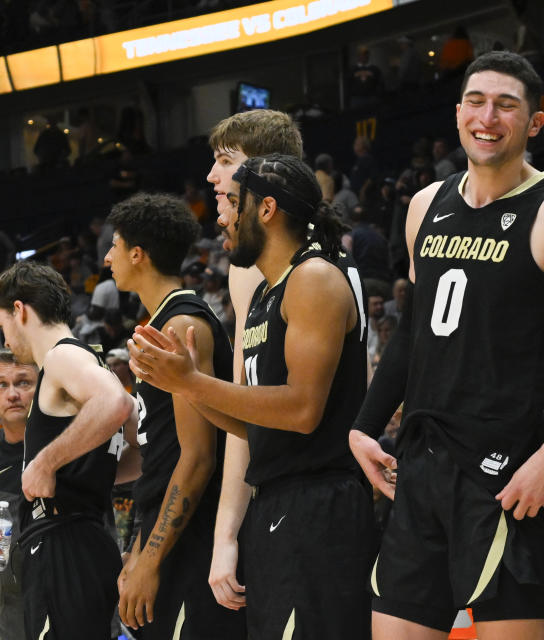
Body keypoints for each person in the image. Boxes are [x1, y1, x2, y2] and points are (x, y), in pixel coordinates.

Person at [348, 50, 544, 639]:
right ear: (458, 111)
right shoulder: (423, 207)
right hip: (420, 470)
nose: (488, 117)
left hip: (505, 476)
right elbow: (414, 331)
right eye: (477, 102)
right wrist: (364, 425)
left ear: (535, 123)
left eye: (506, 106)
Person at [129, 153, 374, 639]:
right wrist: (183, 385)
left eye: (231, 204)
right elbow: (256, 422)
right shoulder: (266, 293)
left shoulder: (314, 279)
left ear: (266, 209)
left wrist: (193, 383)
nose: (220, 216)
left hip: (319, 505)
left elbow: (303, 411)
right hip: (278, 505)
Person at [104, 193, 245, 638]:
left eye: (114, 245)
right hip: (166, 533)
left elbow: (198, 457)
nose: (107, 257)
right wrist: (139, 545)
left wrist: (151, 559)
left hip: (194, 543)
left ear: (137, 255)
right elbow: (161, 451)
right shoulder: (160, 322)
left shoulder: (182, 327)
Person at [202, 108, 303, 619]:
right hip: (302, 496)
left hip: (303, 500)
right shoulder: (309, 256)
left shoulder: (281, 270)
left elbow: (250, 412)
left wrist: (224, 537)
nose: (211, 176)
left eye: (225, 161)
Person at [0, 260, 133, 640]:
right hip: (83, 539)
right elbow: (133, 445)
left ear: (20, 310)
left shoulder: (61, 357)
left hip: (64, 544)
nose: (6, 339)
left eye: (3, 324)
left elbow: (116, 405)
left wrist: (45, 462)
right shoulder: (93, 361)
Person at [0, 349, 37, 640]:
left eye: (23, 382)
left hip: (52, 604)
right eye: (2, 385)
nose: (12, 394)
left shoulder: (71, 447)